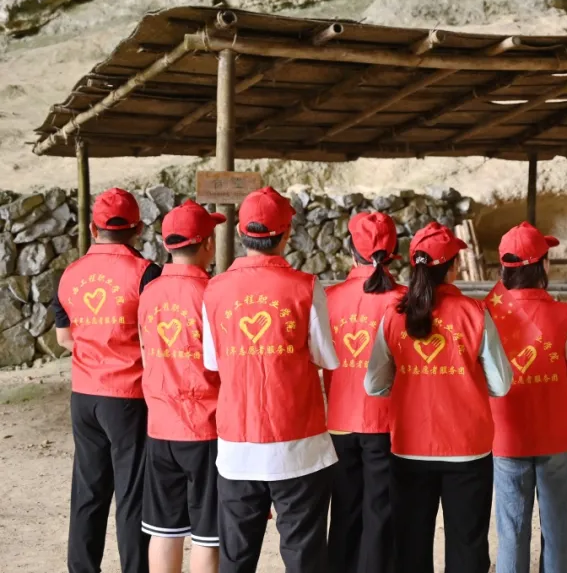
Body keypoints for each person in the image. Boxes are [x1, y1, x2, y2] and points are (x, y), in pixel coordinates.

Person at [201, 187, 340, 573]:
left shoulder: (214, 289)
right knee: (304, 556)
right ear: (286, 233)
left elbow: (213, 362)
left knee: (236, 558)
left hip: (237, 445)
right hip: (298, 444)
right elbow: (326, 357)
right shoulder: (306, 286)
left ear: (240, 232)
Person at [364, 222, 513, 573]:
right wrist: (466, 385)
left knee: (411, 547)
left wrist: (409, 385)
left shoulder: (394, 315)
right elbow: (502, 384)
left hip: (409, 447)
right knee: (467, 545)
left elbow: (373, 384)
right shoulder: (475, 312)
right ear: (453, 267)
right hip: (467, 448)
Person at [55, 187, 162, 573]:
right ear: (138, 228)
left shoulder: (70, 274)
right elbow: (155, 338)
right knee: (132, 493)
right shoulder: (147, 273)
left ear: (93, 228)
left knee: (88, 489)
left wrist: (96, 352)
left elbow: (64, 337)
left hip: (84, 395)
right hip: (129, 396)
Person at [484, 222, 567, 573]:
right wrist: (552, 384)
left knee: (511, 531)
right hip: (558, 435)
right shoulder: (566, 315)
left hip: (506, 436)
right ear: (543, 266)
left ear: (504, 268)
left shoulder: (487, 315)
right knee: (560, 529)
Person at [138, 201, 225, 573]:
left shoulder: (149, 292)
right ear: (208, 243)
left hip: (160, 424)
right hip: (206, 425)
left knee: (164, 531)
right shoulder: (213, 292)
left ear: (166, 243)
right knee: (208, 535)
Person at [324, 212, 405, 573]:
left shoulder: (328, 298)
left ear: (350, 250)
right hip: (386, 422)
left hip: (338, 421)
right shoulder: (402, 300)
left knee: (343, 509)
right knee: (380, 512)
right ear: (394, 251)